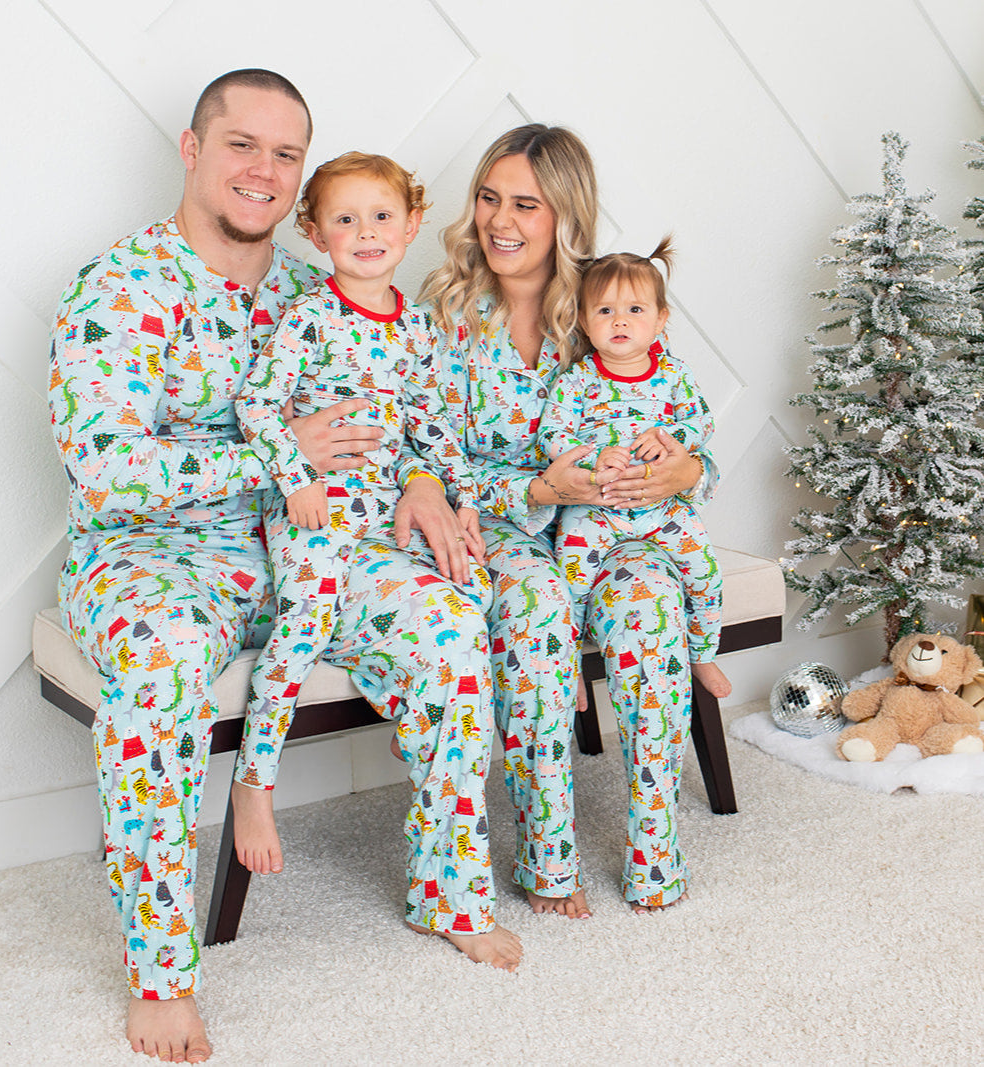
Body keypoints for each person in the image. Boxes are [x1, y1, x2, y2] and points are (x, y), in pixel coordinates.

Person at [49, 70, 405, 1062]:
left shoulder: (316, 286)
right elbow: (108, 467)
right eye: (241, 143)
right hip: (148, 560)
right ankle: (162, 973)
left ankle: (458, 884)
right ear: (191, 148)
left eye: (286, 153)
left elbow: (379, 421)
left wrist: (419, 485)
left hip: (298, 551)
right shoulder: (119, 285)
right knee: (159, 656)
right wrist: (274, 452)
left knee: (447, 617)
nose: (265, 170)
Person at [419, 124, 719, 919]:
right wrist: (542, 489)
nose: (500, 220)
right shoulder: (446, 314)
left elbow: (677, 419)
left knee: (651, 608)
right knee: (536, 606)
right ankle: (547, 860)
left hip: (622, 528)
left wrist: (685, 469)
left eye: (526, 203)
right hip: (511, 531)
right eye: (488, 198)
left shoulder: (607, 301)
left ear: (565, 216)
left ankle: (655, 850)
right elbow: (429, 463)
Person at [228, 150, 492, 922]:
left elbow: (431, 427)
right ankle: (255, 780)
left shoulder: (415, 325)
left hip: (383, 515)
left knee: (469, 598)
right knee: (304, 621)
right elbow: (257, 403)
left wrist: (460, 498)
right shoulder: (310, 314)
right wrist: (295, 479)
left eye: (381, 216)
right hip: (314, 505)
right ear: (314, 232)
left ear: (412, 225)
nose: (364, 232)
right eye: (344, 218)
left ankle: (446, 877)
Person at [537, 241, 731, 700]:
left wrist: (674, 439)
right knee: (570, 580)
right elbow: (553, 435)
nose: (619, 321)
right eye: (604, 310)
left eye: (635, 309)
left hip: (663, 507)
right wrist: (593, 456)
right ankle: (571, 670)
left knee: (703, 570)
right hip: (596, 508)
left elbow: (701, 420)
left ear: (660, 320)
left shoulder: (674, 375)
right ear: (585, 321)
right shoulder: (578, 379)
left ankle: (703, 653)